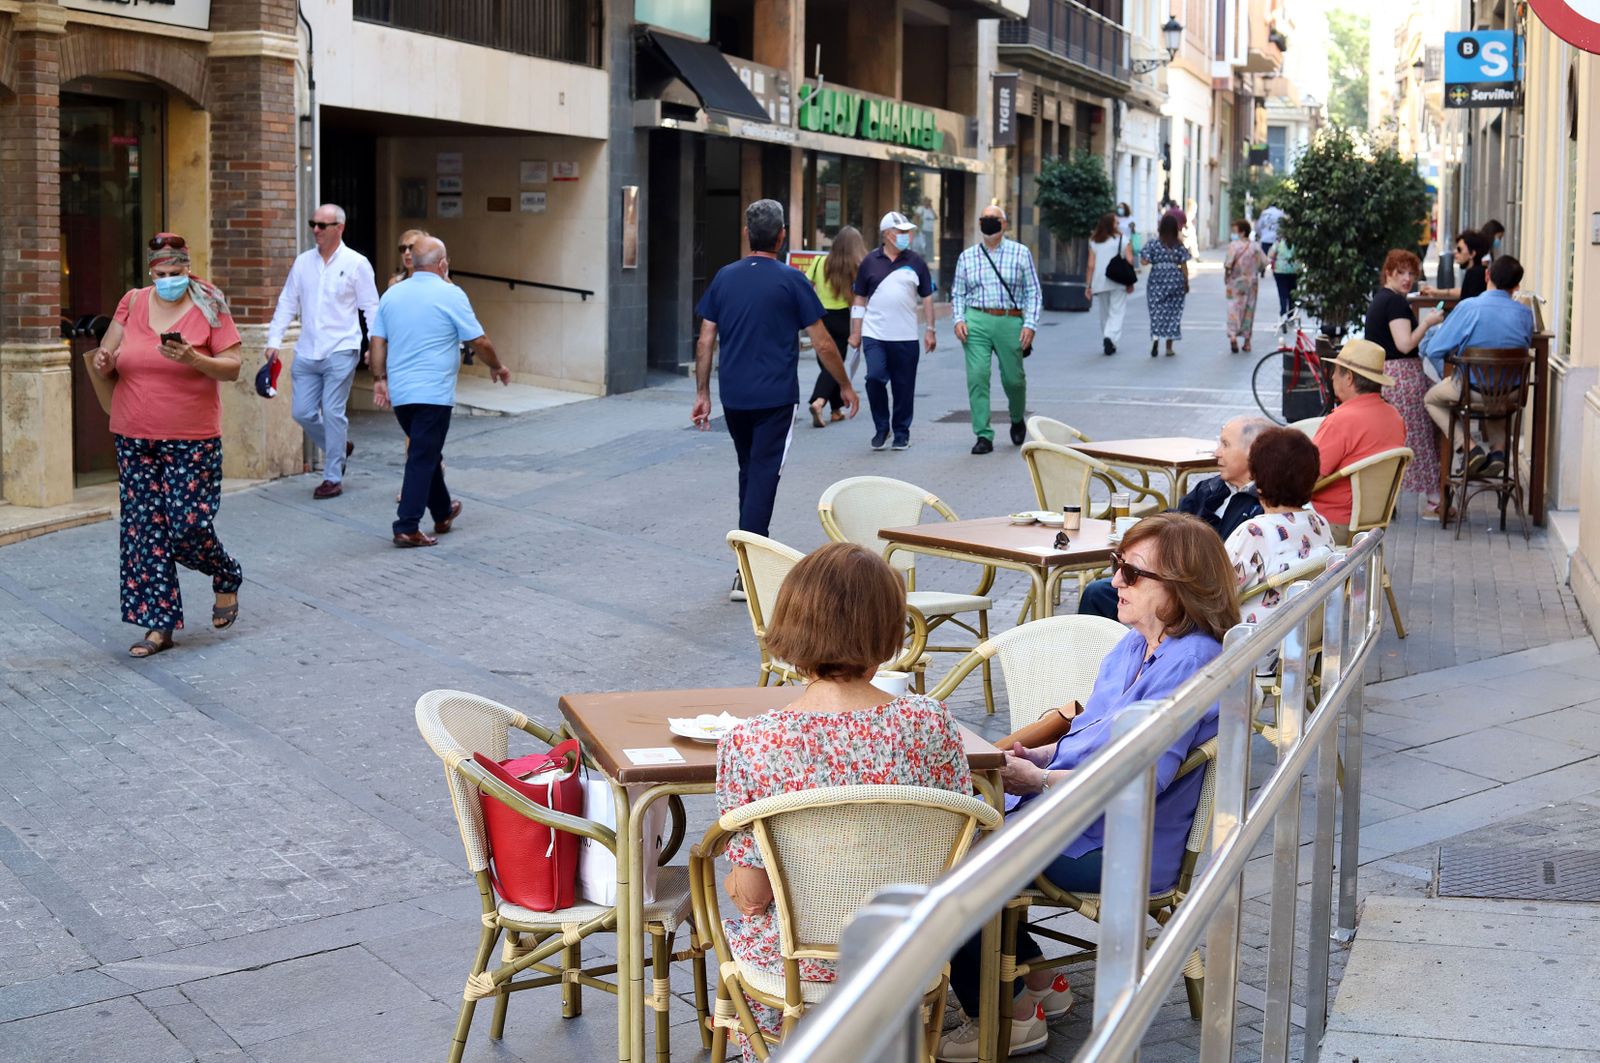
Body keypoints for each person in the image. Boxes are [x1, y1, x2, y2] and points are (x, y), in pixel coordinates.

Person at [939, 512, 1238, 1062]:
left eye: (1131, 573)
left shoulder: (1193, 661)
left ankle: (1005, 1018)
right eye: (1117, 565)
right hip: (1082, 817)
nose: (1114, 582)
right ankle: (1035, 983)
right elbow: (1093, 734)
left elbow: (1140, 780)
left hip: (1123, 843)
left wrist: (1041, 780)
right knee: (957, 824)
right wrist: (1040, 755)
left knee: (957, 854)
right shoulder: (1135, 645)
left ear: (1181, 587)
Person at [716, 543, 972, 1061]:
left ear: (792, 624)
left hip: (798, 964)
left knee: (731, 918)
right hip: (907, 955)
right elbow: (957, 855)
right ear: (887, 630)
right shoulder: (930, 722)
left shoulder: (752, 742)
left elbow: (755, 894)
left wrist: (734, 882)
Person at [693, 200, 858, 601]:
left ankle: (748, 557)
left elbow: (705, 339)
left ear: (747, 234)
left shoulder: (724, 278)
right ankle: (747, 573)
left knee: (750, 472)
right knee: (764, 475)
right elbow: (822, 342)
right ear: (782, 235)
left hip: (734, 397)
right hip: (776, 399)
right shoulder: (791, 280)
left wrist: (702, 393)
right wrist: (846, 385)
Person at [89, 233, 245, 658]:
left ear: (187, 268)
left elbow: (231, 368)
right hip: (133, 433)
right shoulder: (133, 302)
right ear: (151, 273)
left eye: (177, 273)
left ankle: (225, 573)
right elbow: (110, 351)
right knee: (144, 532)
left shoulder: (209, 302)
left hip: (191, 437)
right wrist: (105, 359)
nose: (170, 280)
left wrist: (194, 358)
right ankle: (157, 625)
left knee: (187, 526)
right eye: (162, 274)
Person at [369, 236, 510, 547]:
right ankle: (406, 526)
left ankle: (444, 511)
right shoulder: (450, 294)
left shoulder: (392, 295)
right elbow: (480, 341)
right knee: (422, 455)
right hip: (433, 393)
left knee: (425, 451)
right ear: (443, 263)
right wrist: (497, 366)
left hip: (403, 395)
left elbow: (377, 342)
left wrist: (379, 378)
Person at [1078, 416, 1269, 619]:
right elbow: (1173, 519)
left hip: (1193, 593)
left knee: (1102, 593)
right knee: (1097, 593)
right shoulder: (1213, 487)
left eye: (1225, 444)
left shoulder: (1261, 505)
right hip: (1167, 577)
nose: (1216, 453)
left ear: (1253, 452)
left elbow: (1219, 568)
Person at [265, 203, 380, 501]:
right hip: (307, 350)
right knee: (301, 412)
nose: (315, 229)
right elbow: (287, 302)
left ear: (339, 228)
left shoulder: (356, 263)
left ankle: (332, 477)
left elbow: (371, 308)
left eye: (322, 225)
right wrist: (274, 340)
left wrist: (375, 346)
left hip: (341, 348)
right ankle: (338, 445)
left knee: (332, 411)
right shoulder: (303, 263)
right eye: (312, 223)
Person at [1421, 255, 1535, 481]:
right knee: (1496, 397)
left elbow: (1433, 349)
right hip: (1511, 392)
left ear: (1487, 275)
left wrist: (1456, 361)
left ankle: (1469, 448)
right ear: (1516, 286)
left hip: (1471, 390)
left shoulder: (1469, 307)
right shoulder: (1525, 313)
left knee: (1431, 399)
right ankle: (1498, 453)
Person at [950, 204, 1041, 453]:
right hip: (976, 320)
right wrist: (959, 319)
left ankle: (1016, 416)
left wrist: (1030, 324)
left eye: (994, 219)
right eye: (984, 219)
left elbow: (1033, 292)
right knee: (977, 376)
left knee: (1014, 379)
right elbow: (958, 293)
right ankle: (983, 434)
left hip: (1010, 320)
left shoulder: (1020, 253)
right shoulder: (967, 257)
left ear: (1004, 223)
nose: (988, 223)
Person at [1363, 250, 1446, 517]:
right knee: (1420, 437)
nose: (1407, 278)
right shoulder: (1395, 303)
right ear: (1389, 273)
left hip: (1387, 376)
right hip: (1402, 378)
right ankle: (1435, 500)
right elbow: (1405, 343)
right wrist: (1429, 323)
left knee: (1407, 438)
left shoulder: (1382, 299)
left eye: (1411, 273)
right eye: (1401, 273)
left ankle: (1393, 499)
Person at [1227, 427, 1334, 624]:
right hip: (1301, 638)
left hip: (1252, 644)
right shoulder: (1319, 523)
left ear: (1258, 481)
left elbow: (1219, 595)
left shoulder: (1254, 533)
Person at [849, 211, 935, 451]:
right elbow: (859, 298)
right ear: (887, 234)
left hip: (906, 336)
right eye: (901, 232)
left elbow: (927, 297)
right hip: (874, 334)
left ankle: (901, 432)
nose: (906, 235)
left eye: (908, 232)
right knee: (874, 377)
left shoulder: (916, 262)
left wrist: (930, 329)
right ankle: (881, 426)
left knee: (903, 387)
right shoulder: (869, 262)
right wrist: (856, 332)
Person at [1309, 339, 1407, 540]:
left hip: (1331, 523)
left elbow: (1307, 479)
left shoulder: (1340, 420)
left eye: (1336, 370)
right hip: (1373, 524)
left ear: (1349, 378)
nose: (1333, 376)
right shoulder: (1395, 417)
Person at [802, 226, 866, 428]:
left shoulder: (820, 262)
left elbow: (805, 285)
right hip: (841, 318)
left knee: (827, 363)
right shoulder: (856, 267)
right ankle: (819, 401)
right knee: (833, 364)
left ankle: (836, 409)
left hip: (820, 316)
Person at [1085, 211, 1135, 357]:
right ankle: (1110, 337)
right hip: (1118, 280)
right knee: (1117, 312)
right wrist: (1130, 281)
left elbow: (1090, 265)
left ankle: (1109, 339)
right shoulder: (1122, 239)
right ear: (1111, 224)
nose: (1118, 224)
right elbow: (1129, 261)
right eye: (1116, 222)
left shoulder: (1094, 242)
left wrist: (1088, 285)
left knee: (1104, 313)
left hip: (1100, 281)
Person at [1141, 212, 1190, 357]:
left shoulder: (1153, 243)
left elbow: (1144, 261)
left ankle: (1155, 338)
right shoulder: (1179, 245)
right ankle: (1169, 347)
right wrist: (1186, 282)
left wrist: (1155, 260)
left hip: (1157, 279)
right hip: (1175, 279)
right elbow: (1184, 265)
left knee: (1156, 311)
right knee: (1173, 313)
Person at [1223, 218, 1268, 353]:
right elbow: (1263, 263)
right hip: (1251, 283)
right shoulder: (1255, 246)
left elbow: (1228, 263)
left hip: (1235, 281)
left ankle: (1232, 336)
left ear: (1241, 231)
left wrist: (1226, 276)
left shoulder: (1234, 246)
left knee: (1233, 308)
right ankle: (1247, 341)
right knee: (1249, 310)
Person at [1420, 230, 1490, 302]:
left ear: (1472, 254)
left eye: (1459, 249)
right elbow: (1463, 292)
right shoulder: (1478, 272)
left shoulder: (1474, 274)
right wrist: (1436, 292)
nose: (1455, 252)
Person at [1270, 238, 1299, 320]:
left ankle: (1283, 312)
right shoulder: (1296, 242)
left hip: (1280, 270)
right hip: (1294, 269)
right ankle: (1291, 314)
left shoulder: (1278, 242)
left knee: (1282, 293)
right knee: (1292, 293)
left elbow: (1271, 254)